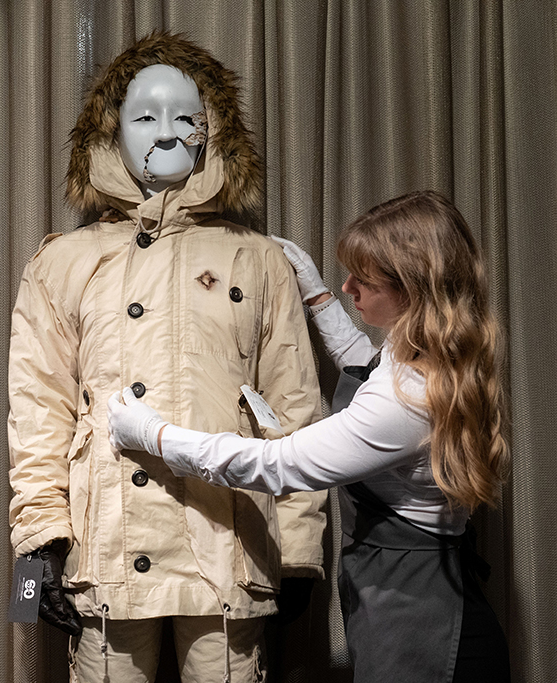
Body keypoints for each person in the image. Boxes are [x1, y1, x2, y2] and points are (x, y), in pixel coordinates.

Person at [7, 32, 327, 682]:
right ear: (111, 131)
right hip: (107, 540)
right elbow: (39, 407)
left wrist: (297, 549)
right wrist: (42, 537)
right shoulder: (64, 263)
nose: (166, 132)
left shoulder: (257, 259)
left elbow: (295, 409)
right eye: (144, 116)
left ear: (211, 134)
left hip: (229, 536)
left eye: (185, 117)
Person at [108, 190, 513, 682]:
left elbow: (277, 464)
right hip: (414, 591)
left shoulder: (407, 398)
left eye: (362, 281)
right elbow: (370, 369)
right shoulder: (437, 354)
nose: (348, 287)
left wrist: (154, 434)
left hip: (422, 615)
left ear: (410, 289)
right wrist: (319, 299)